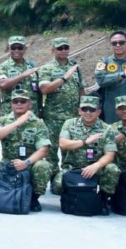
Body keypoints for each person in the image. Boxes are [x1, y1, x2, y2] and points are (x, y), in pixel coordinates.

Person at [53, 95, 120, 215]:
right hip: (72, 168)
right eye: (85, 109)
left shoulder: (107, 129)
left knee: (113, 169)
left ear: (98, 112)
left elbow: (110, 155)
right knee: (57, 185)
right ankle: (70, 199)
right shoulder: (69, 124)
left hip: (95, 169)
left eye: (92, 110)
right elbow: (63, 144)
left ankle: (102, 200)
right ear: (79, 110)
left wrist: (96, 165)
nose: (88, 112)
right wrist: (85, 142)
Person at [0, 91, 52, 212]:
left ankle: (33, 198)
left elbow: (44, 149)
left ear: (30, 104)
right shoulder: (3, 120)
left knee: (43, 166)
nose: (19, 104)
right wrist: (17, 123)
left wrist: (26, 163)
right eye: (15, 101)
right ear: (11, 104)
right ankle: (3, 196)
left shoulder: (38, 123)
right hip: (8, 162)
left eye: (23, 101)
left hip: (30, 162)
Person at [38, 37, 83, 178]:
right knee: (52, 150)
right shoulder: (47, 68)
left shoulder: (75, 67)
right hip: (53, 116)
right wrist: (64, 78)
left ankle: (68, 178)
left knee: (71, 149)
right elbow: (44, 89)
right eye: (59, 48)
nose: (63, 51)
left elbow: (81, 89)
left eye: (66, 48)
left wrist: (83, 107)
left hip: (73, 117)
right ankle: (54, 179)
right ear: (52, 50)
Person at [0, 35, 40, 112]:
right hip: (10, 112)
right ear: (9, 48)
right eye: (13, 48)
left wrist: (40, 108)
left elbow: (37, 90)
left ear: (25, 49)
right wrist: (23, 75)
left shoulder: (31, 66)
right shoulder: (3, 67)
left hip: (32, 112)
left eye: (20, 48)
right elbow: (2, 84)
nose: (16, 50)